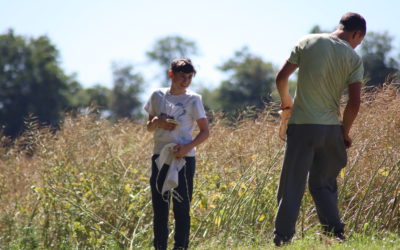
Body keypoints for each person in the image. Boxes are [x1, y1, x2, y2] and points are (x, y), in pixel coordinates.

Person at [273, 12, 366, 246]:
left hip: (303, 126)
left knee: (292, 184)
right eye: (359, 40)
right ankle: (336, 234)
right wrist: (344, 132)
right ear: (356, 34)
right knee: (323, 184)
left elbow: (282, 77)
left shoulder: (309, 41)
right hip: (331, 130)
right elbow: (354, 103)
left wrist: (286, 102)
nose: (357, 45)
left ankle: (283, 238)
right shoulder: (353, 59)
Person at [144, 58, 209, 250]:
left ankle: (181, 247)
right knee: (160, 208)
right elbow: (149, 127)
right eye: (182, 77)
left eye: (189, 77)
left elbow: (205, 132)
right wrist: (158, 121)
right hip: (160, 157)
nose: (186, 81)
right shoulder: (157, 96)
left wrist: (187, 148)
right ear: (171, 74)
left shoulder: (194, 99)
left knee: (182, 208)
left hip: (184, 159)